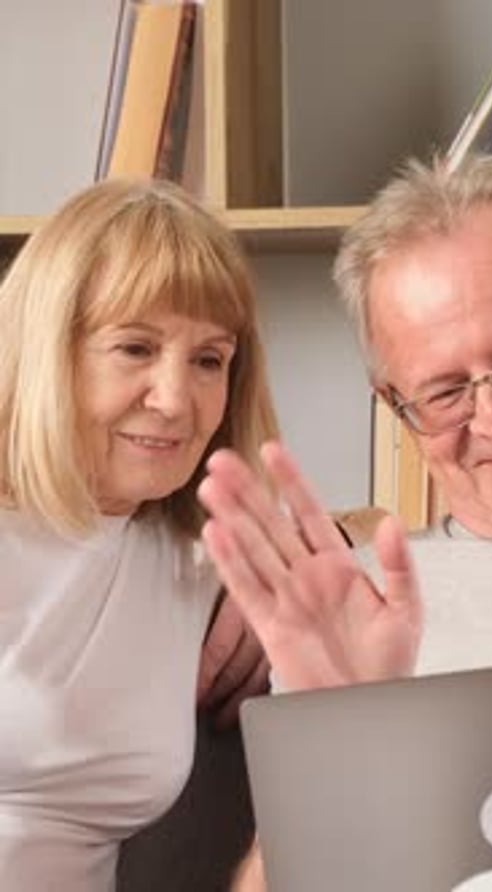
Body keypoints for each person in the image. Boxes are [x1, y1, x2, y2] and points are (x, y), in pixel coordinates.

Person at [195, 153, 492, 889]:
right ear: (394, 404)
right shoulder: (350, 608)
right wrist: (335, 746)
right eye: (446, 391)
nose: (490, 418)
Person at [0, 175, 279, 891]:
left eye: (209, 359)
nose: (174, 399)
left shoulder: (189, 557)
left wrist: (307, 550)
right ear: (46, 351)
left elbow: (378, 537)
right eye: (134, 349)